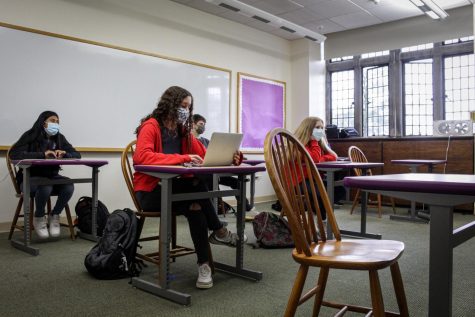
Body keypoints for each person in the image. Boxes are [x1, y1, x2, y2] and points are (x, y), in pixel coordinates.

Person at [133, 86, 245, 290]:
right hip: (150, 192)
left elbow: (205, 154)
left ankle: (204, 266)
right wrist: (183, 158)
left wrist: (233, 157)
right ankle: (219, 231)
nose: (186, 110)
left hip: (177, 191)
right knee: (195, 189)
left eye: (189, 106)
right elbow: (142, 157)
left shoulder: (183, 131)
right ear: (170, 103)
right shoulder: (150, 126)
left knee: (196, 205)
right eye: (183, 105)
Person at [9, 110, 80, 239]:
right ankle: (39, 217)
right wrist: (43, 154)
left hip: (51, 177)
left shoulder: (59, 138)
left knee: (68, 185)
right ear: (43, 122)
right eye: (53, 121)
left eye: (58, 122)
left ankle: (55, 215)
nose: (56, 124)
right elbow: (14, 155)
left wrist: (65, 154)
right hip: (29, 178)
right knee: (46, 186)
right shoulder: (30, 135)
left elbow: (77, 155)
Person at [191, 114, 254, 212]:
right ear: (193, 124)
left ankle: (246, 207)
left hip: (215, 172)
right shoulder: (189, 141)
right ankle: (214, 214)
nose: (203, 126)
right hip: (202, 175)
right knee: (210, 184)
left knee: (236, 183)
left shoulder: (207, 141)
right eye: (201, 124)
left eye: (204, 124)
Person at [293, 116, 346, 220]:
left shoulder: (318, 145)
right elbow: (314, 159)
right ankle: (322, 218)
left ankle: (320, 214)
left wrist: (322, 157)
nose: (320, 130)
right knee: (322, 194)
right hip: (299, 182)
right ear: (308, 129)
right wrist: (314, 142)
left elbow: (333, 156)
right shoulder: (298, 145)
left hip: (313, 180)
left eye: (322, 128)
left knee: (340, 190)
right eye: (317, 127)